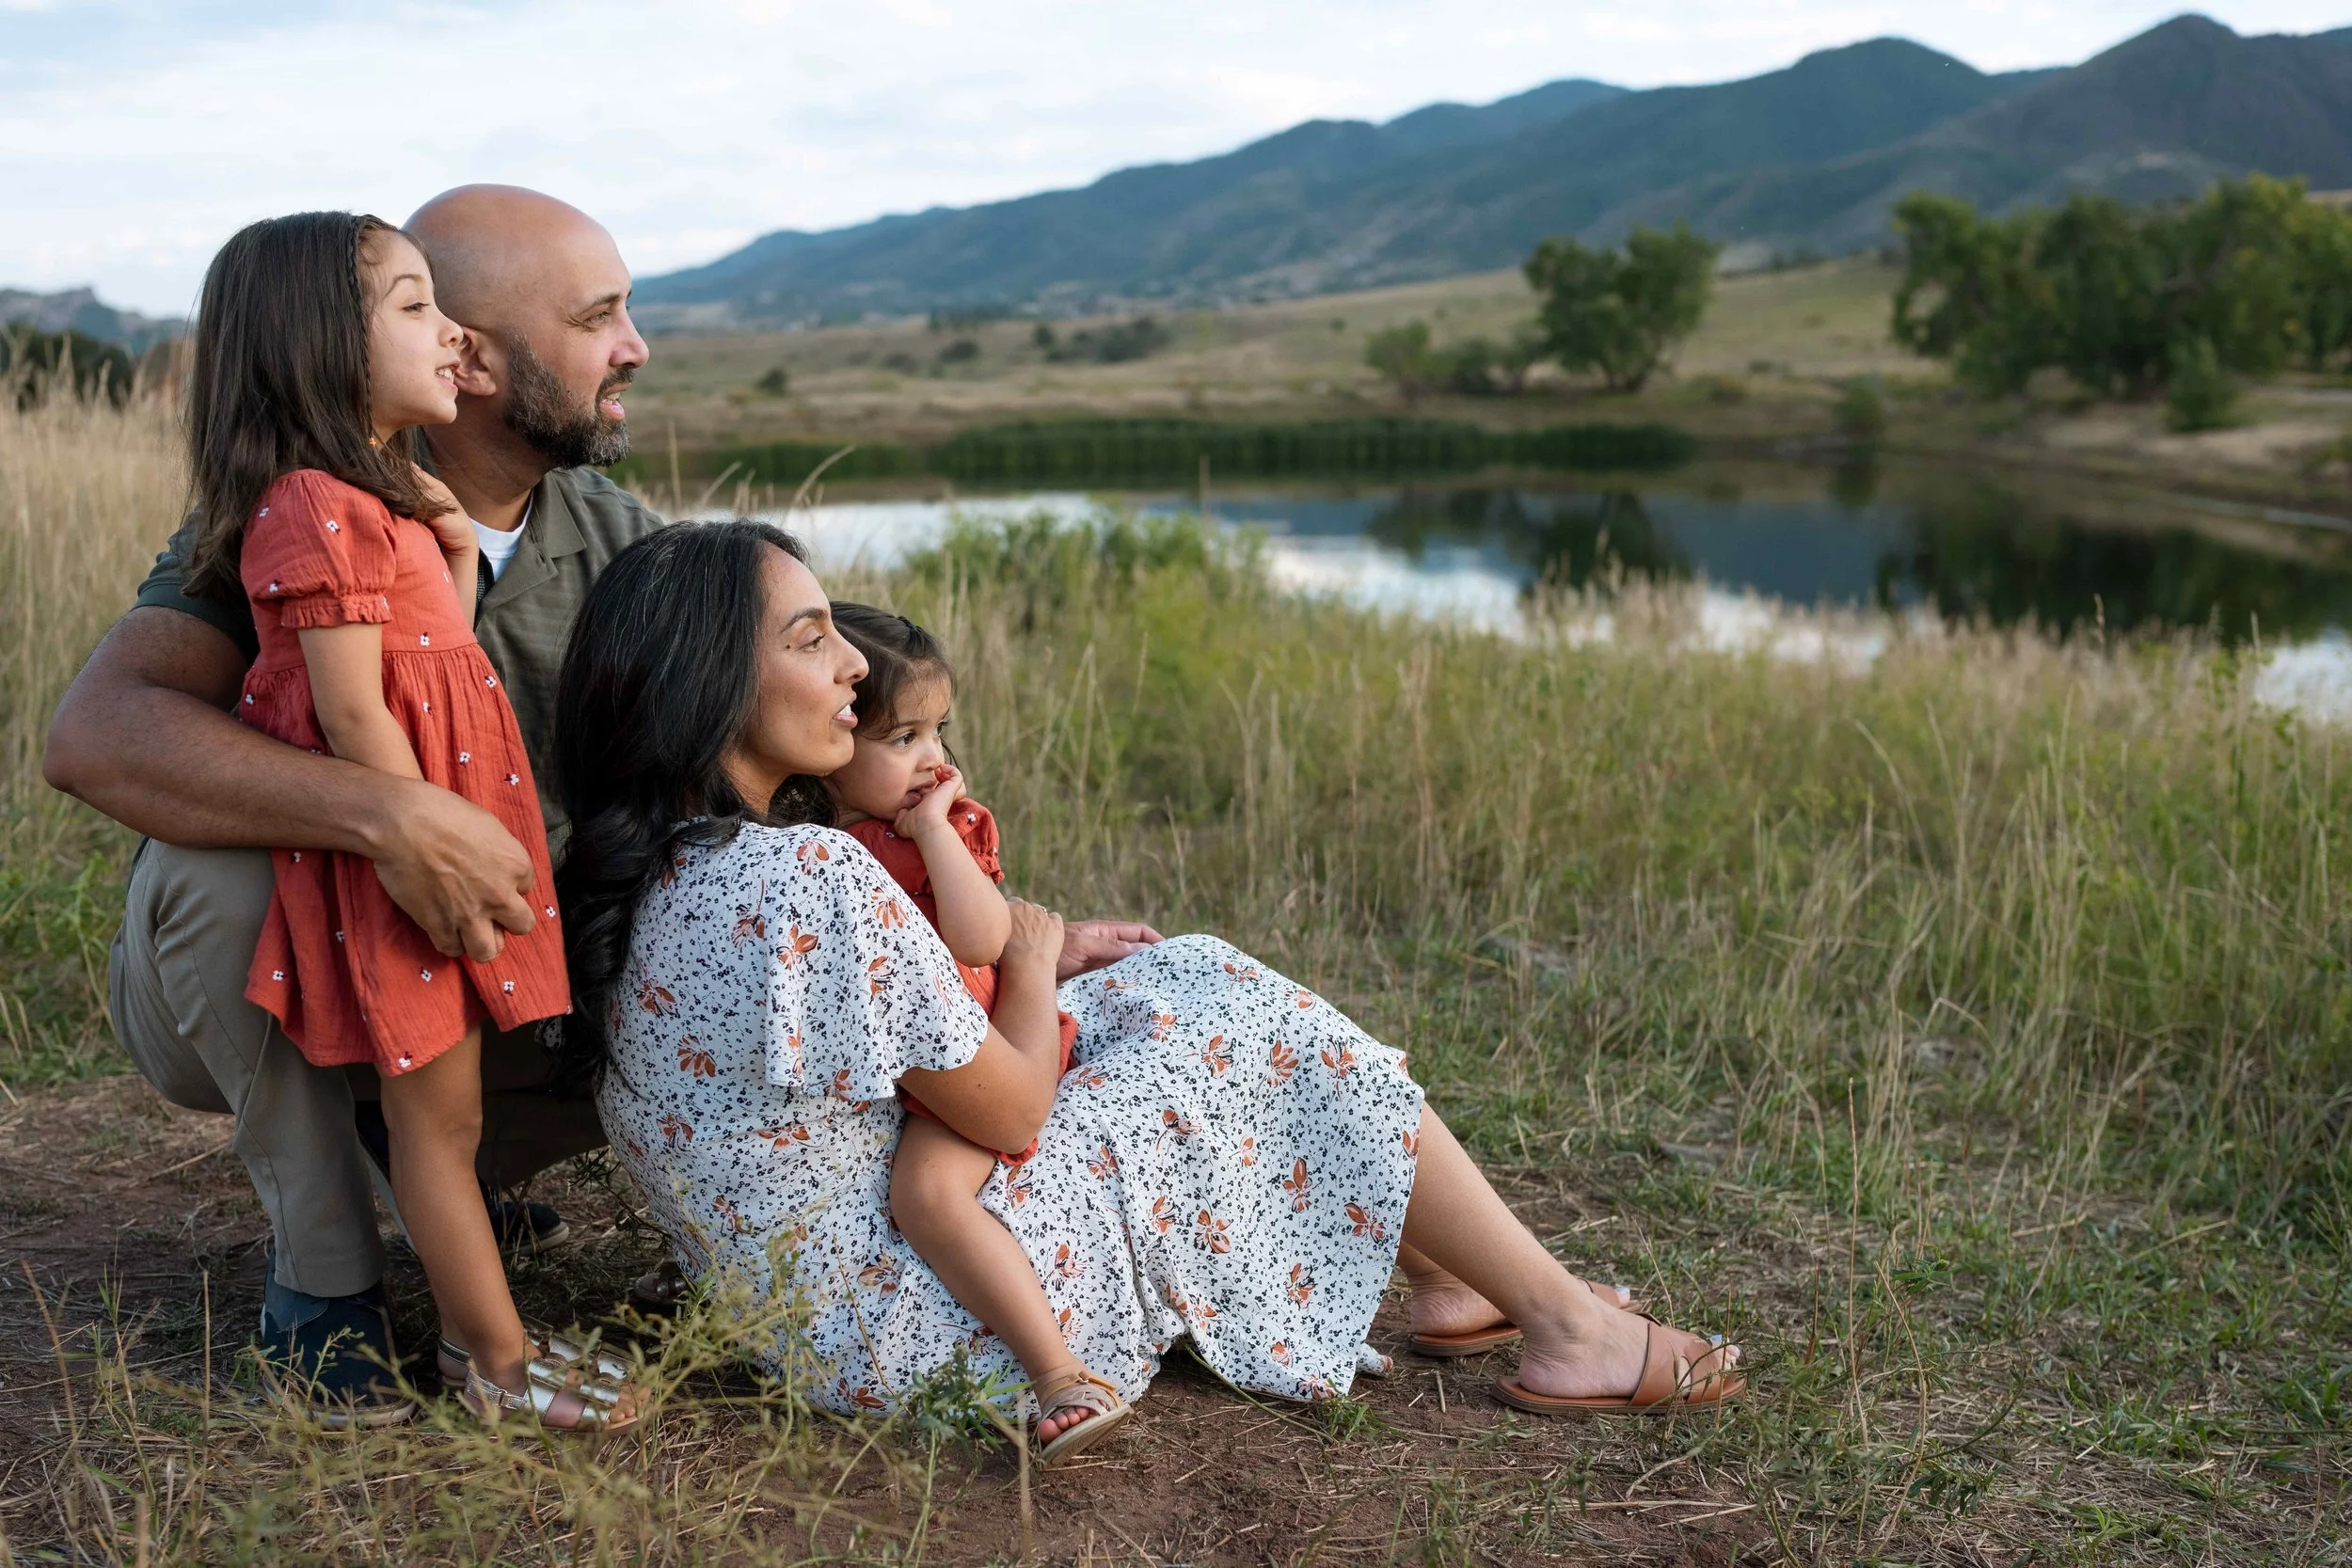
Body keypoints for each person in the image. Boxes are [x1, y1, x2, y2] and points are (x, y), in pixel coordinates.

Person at [555, 520, 1745, 1459]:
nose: (856, 664)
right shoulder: (804, 872)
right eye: (812, 638)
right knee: (1227, 1010)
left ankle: (1456, 1278)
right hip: (918, 1318)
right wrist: (1028, 957)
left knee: (1166, 977)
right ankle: (1563, 1323)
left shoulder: (674, 870)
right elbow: (1014, 1112)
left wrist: (1049, 959)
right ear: (708, 679)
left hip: (803, 1323)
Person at [40, 186, 669, 1425]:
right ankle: (323, 1283)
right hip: (295, 962)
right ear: (472, 357)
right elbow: (96, 736)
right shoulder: (302, 508)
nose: (636, 346)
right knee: (220, 865)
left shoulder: (623, 540)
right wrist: (390, 816)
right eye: (601, 316)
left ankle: (448, 1183)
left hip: (488, 963)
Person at [818, 603, 1120, 1461]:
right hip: (920, 1063)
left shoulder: (939, 828)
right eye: (902, 737)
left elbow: (982, 940)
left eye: (938, 731)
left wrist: (932, 827)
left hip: (984, 1046)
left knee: (929, 1197)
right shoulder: (822, 843)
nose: (933, 759)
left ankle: (1058, 1372)